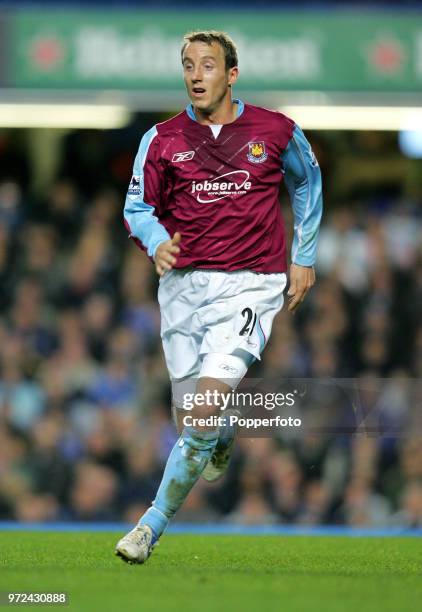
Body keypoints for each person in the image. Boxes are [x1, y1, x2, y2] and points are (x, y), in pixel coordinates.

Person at [115, 30, 323, 564]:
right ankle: (224, 428)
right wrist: (158, 243)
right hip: (183, 289)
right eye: (188, 65)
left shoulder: (275, 130)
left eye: (207, 65)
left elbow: (307, 183)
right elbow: (138, 209)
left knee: (201, 412)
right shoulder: (160, 139)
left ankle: (148, 527)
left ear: (231, 74)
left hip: (251, 284)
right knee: (193, 421)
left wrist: (303, 254)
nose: (195, 74)